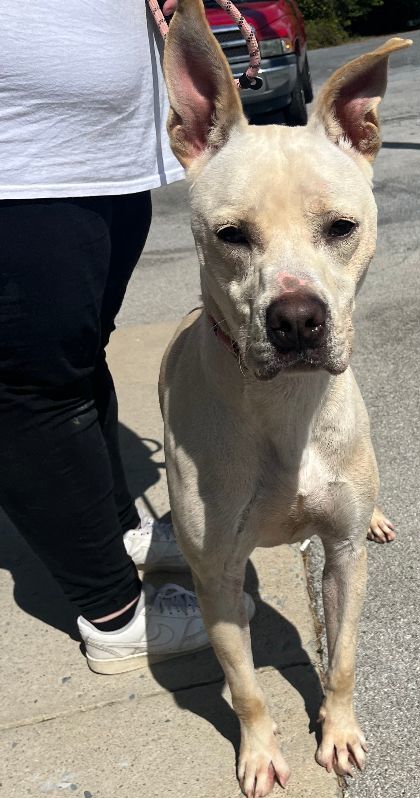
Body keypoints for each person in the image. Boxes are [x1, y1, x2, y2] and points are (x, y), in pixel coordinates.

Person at [0, 0, 246, 674]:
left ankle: (120, 531)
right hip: (18, 153)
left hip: (99, 148)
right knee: (29, 388)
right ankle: (113, 617)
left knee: (77, 359)